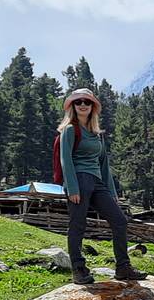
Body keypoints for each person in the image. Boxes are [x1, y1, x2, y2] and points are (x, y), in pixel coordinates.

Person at [57, 88, 145, 285]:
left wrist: (112, 191)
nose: (82, 105)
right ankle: (78, 270)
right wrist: (72, 188)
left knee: (119, 220)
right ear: (72, 106)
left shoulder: (97, 135)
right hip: (78, 180)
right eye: (78, 102)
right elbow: (66, 160)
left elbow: (104, 164)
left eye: (86, 102)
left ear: (92, 107)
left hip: (97, 182)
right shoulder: (70, 129)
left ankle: (123, 268)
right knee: (78, 225)